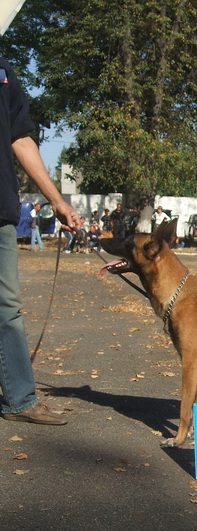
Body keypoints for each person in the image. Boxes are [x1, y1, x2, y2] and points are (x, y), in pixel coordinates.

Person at [0, 56, 81, 425]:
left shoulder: (4, 71)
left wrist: (57, 200)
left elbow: (20, 137)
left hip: (1, 210)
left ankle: (19, 399)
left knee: (7, 308)